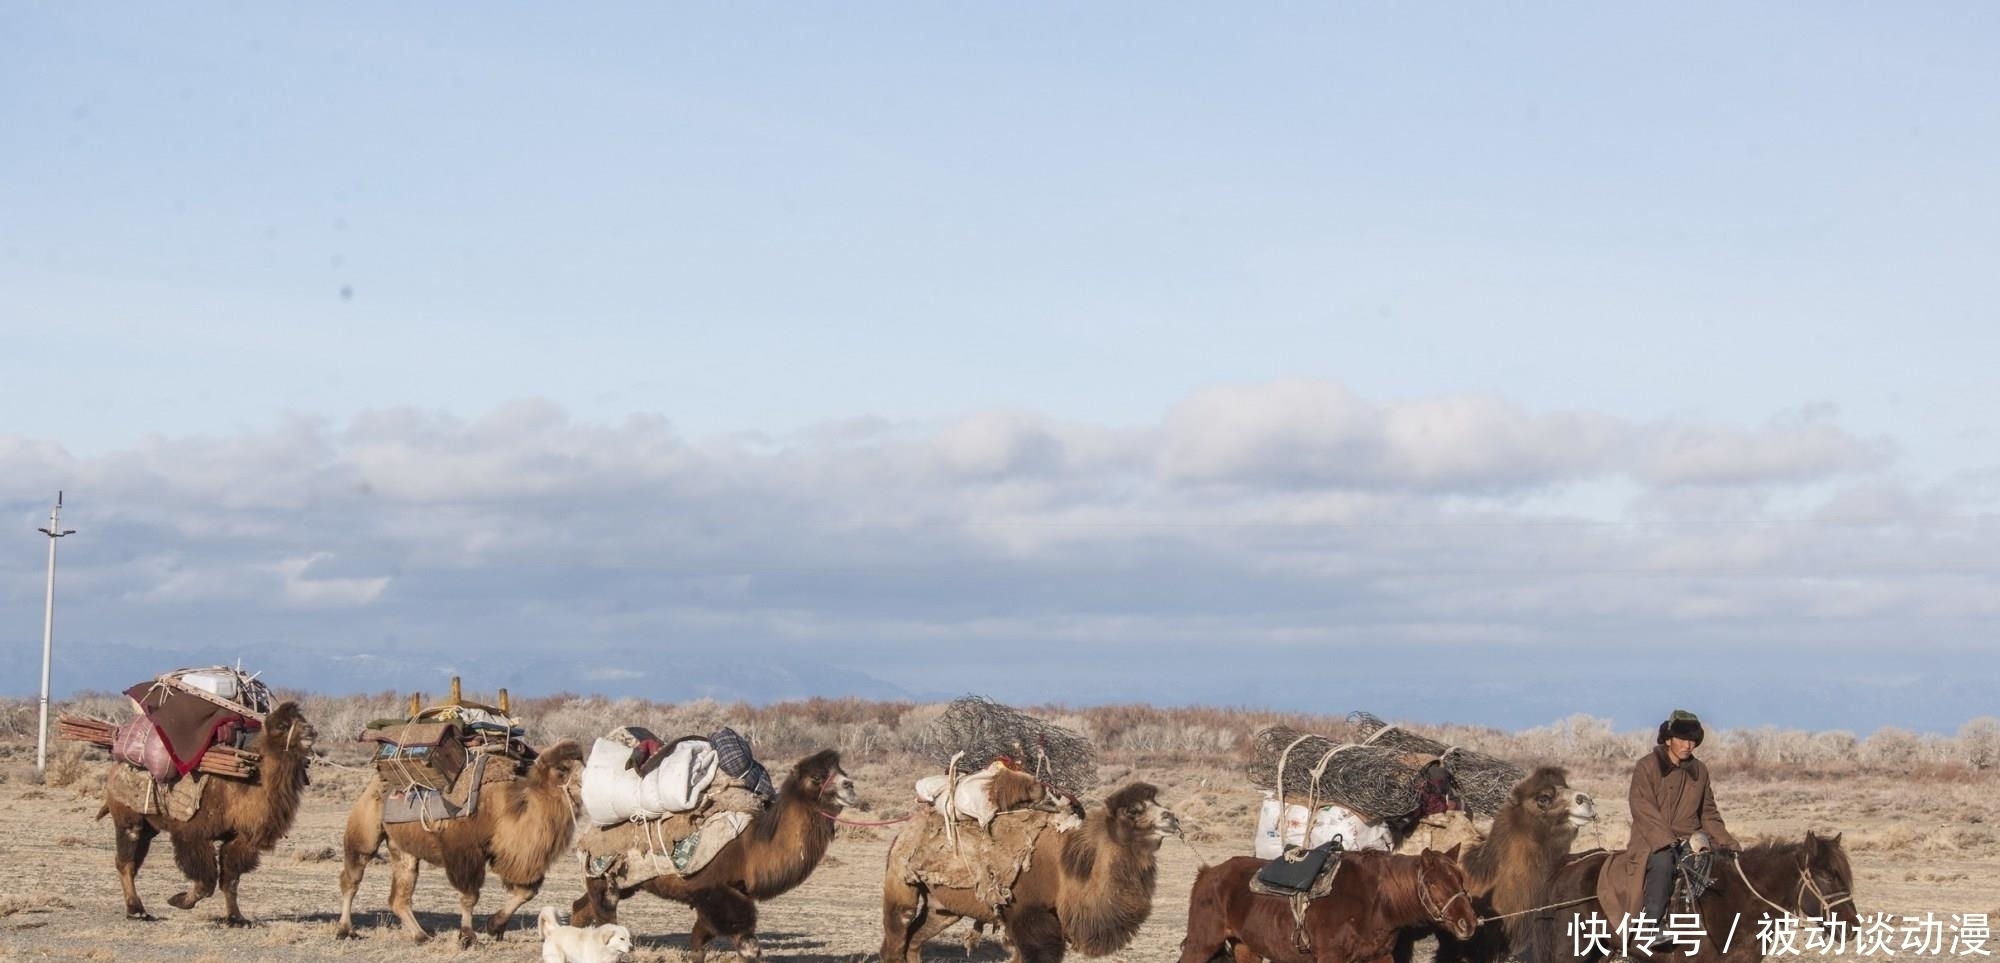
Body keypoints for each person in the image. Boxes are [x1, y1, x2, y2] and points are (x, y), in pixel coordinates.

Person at [1618, 709, 1739, 955]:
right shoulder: (1647, 766)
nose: (1688, 745)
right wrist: (1666, 840)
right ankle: (1650, 926)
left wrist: (1728, 843)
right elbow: (1642, 807)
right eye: (1683, 739)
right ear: (1667, 739)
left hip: (1690, 838)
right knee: (1663, 862)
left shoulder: (1700, 770)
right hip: (1650, 838)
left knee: (1714, 865)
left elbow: (1709, 813)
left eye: (1693, 740)